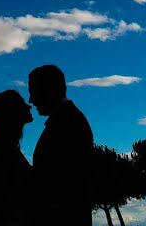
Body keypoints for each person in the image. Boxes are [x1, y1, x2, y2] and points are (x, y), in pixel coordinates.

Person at [28, 64, 94, 226]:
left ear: (51, 88)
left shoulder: (68, 122)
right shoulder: (66, 119)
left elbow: (65, 183)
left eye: (34, 92)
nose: (31, 100)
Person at [0, 90, 33, 226]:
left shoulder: (1, 151)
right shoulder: (7, 154)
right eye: (22, 104)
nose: (29, 106)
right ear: (12, 113)